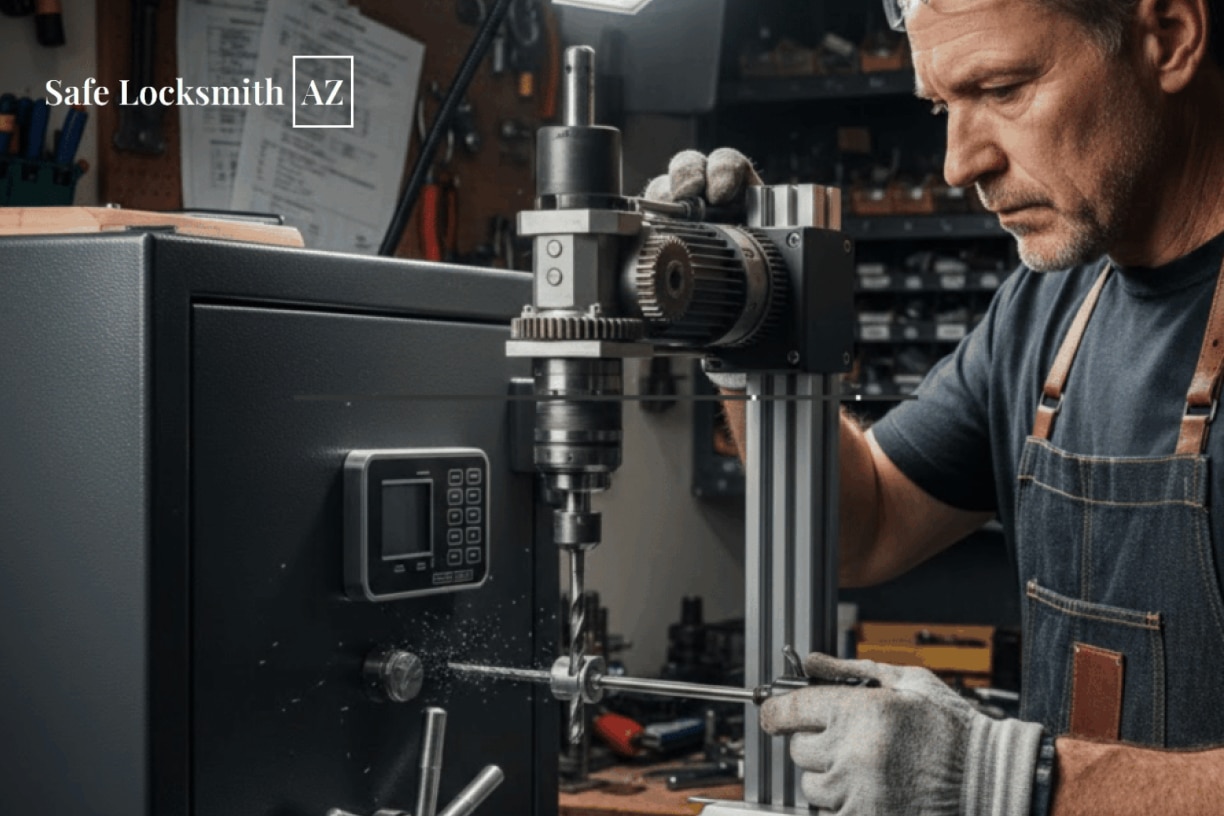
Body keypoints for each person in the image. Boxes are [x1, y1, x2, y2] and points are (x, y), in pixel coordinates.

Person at [647, 0, 1224, 813]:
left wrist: (1007, 778)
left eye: (1003, 88)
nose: (958, 163)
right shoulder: (1048, 307)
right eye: (941, 105)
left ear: (1168, 38)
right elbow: (861, 527)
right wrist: (752, 317)